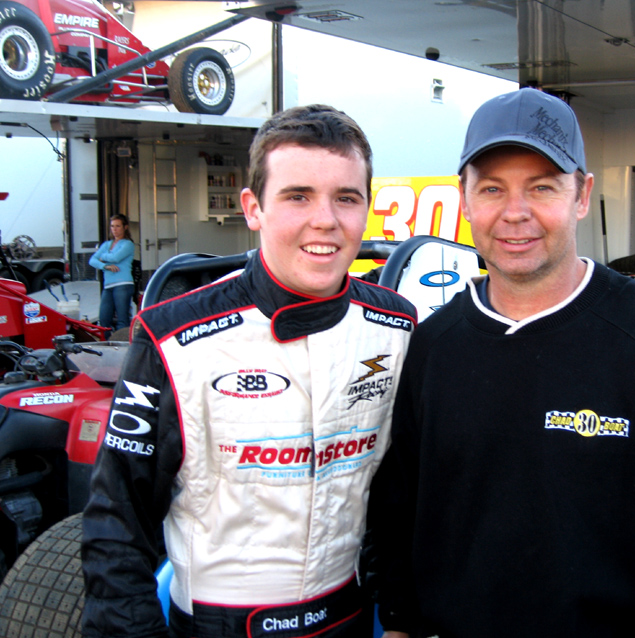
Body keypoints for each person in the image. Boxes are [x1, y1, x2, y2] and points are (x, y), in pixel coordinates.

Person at [368, 88, 635, 637]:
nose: (515, 213)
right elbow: (398, 513)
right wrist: (402, 623)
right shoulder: (432, 348)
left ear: (582, 195)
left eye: (542, 187)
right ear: (465, 200)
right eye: (493, 189)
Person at [81, 104, 417, 638]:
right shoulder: (172, 337)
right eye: (298, 196)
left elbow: (399, 501)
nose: (325, 220)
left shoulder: (396, 327)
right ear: (253, 208)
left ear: (366, 209)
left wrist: (401, 618)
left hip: (350, 620)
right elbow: (116, 524)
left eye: (346, 198)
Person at [89, 213, 135, 337]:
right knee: (104, 318)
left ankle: (122, 342)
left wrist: (102, 257)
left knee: (122, 318)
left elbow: (115, 258)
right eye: (112, 226)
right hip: (108, 285)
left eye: (118, 226)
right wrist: (105, 266)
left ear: (125, 227)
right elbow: (92, 260)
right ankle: (107, 343)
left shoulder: (128, 244)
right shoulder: (107, 244)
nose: (114, 229)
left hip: (123, 283)